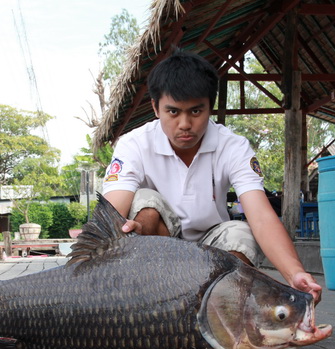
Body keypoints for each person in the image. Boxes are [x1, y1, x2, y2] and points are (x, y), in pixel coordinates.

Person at [102, 49, 321, 303]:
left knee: (241, 233)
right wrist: (124, 234)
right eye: (173, 112)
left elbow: (261, 216)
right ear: (155, 107)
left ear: (210, 107)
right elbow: (112, 211)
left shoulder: (234, 146)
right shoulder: (134, 144)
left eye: (196, 111)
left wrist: (295, 273)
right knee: (145, 204)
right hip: (156, 248)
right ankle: (150, 303)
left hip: (211, 251)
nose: (185, 123)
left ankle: (219, 309)